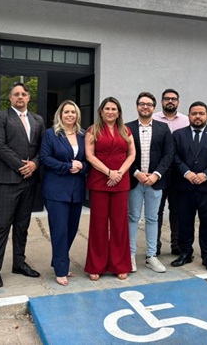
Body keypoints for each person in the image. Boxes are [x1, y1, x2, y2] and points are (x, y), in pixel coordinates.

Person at [0, 82, 45, 288]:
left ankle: (19, 264)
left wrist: (35, 164)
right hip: (6, 180)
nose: (20, 97)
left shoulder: (37, 120)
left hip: (29, 181)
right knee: (2, 226)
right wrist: (22, 166)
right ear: (10, 98)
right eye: (16, 94)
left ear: (28, 97)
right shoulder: (0, 117)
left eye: (23, 94)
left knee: (22, 226)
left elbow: (43, 147)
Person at [171, 101, 207, 273]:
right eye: (194, 113)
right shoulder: (178, 135)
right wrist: (186, 172)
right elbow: (173, 156)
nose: (197, 116)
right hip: (184, 187)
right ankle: (185, 253)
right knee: (184, 222)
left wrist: (205, 174)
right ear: (188, 116)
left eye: (201, 113)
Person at [84, 97, 136, 281]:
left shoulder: (126, 130)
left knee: (119, 225)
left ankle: (119, 265)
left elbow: (132, 154)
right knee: (98, 224)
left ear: (119, 112)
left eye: (114, 109)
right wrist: (109, 172)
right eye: (107, 108)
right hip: (100, 181)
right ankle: (96, 265)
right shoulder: (93, 130)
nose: (110, 112)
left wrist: (119, 173)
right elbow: (89, 156)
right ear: (101, 111)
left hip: (121, 181)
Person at [40, 100, 89, 286]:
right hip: (56, 189)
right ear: (60, 114)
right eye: (66, 112)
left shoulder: (83, 135)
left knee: (72, 229)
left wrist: (82, 166)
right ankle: (61, 269)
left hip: (76, 190)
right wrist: (67, 166)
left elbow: (89, 160)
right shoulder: (51, 134)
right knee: (59, 230)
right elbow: (45, 158)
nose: (70, 115)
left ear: (77, 115)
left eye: (73, 112)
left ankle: (59, 260)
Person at [126, 92, 174, 273]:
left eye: (149, 104)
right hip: (135, 181)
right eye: (142, 103)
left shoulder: (163, 128)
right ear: (137, 106)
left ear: (154, 107)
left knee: (153, 218)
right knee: (132, 217)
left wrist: (156, 174)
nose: (145, 107)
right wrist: (136, 173)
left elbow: (169, 154)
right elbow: (124, 154)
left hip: (155, 182)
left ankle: (151, 256)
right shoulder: (127, 128)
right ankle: (130, 255)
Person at [152, 89, 189, 256]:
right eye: (167, 99)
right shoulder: (153, 119)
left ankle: (176, 244)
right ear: (162, 101)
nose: (170, 101)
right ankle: (155, 245)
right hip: (159, 171)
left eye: (173, 99)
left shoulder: (186, 120)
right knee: (156, 210)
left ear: (178, 102)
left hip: (178, 172)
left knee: (177, 210)